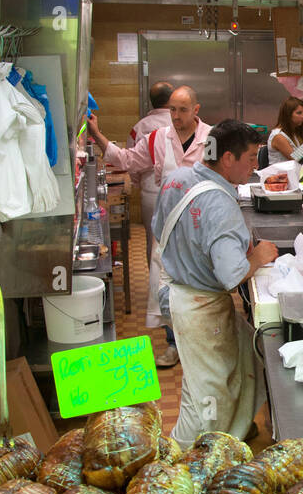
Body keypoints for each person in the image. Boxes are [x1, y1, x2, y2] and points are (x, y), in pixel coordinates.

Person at [152, 119, 278, 445]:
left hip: (173, 289)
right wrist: (260, 255)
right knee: (207, 392)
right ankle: (184, 459)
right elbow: (231, 275)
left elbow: (157, 228)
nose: (255, 166)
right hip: (199, 305)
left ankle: (237, 428)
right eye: (250, 158)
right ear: (226, 159)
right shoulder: (221, 204)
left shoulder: (177, 179)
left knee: (244, 353)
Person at [89, 86, 211, 366]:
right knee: (166, 287)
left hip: (201, 226)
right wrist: (96, 134)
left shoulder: (211, 138)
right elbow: (126, 159)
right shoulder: (156, 138)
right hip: (167, 229)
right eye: (172, 110)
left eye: (182, 109)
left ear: (196, 109)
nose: (176, 116)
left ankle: (201, 344)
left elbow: (224, 174)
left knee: (202, 287)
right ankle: (174, 344)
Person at [267, 97, 303, 166]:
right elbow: (297, 159)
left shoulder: (293, 132)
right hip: (280, 175)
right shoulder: (278, 136)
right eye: (299, 113)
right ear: (288, 114)